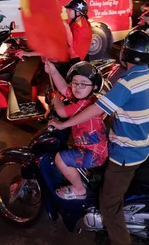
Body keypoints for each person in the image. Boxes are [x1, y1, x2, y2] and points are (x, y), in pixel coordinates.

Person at [49, 30, 149, 245]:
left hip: (127, 152)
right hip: (144, 141)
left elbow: (96, 109)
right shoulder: (148, 75)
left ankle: (120, 241)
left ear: (124, 53)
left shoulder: (127, 84)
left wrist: (63, 123)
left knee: (109, 203)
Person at [45, 60, 108, 200]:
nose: (78, 87)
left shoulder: (84, 103)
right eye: (75, 82)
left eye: (84, 84)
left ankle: (79, 190)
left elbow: (61, 112)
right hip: (95, 147)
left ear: (95, 87)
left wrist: (55, 97)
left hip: (93, 153)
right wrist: (54, 71)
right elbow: (64, 88)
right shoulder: (84, 97)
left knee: (60, 159)